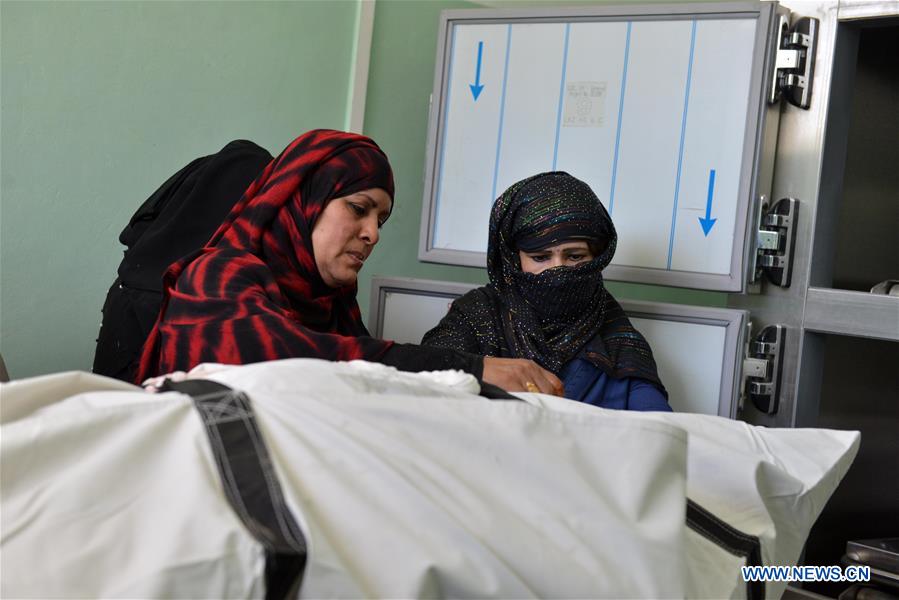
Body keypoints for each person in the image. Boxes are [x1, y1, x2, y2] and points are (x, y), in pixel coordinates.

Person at [135, 129, 562, 396]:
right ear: (303, 203)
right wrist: (472, 369)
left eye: (381, 220)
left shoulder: (334, 305)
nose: (373, 234)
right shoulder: (218, 274)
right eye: (359, 208)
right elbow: (285, 361)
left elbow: (373, 388)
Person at [422, 171, 671, 411]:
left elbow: (656, 429)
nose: (558, 270)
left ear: (597, 256)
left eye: (575, 256)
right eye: (540, 257)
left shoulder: (618, 340)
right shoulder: (475, 315)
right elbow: (426, 387)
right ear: (514, 258)